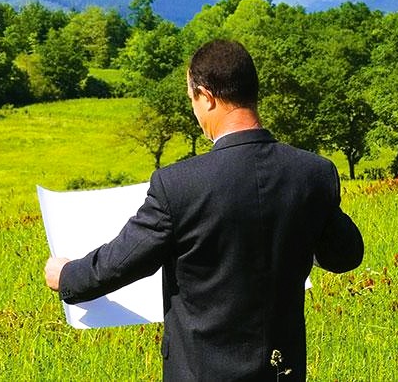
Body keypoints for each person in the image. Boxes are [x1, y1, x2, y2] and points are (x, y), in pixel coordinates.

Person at [44, 39, 363, 380]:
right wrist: (299, 231)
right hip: (281, 372)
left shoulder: (178, 185)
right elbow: (346, 256)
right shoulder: (313, 174)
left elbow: (119, 264)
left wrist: (66, 276)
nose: (194, 111)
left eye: (192, 100)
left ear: (207, 97)